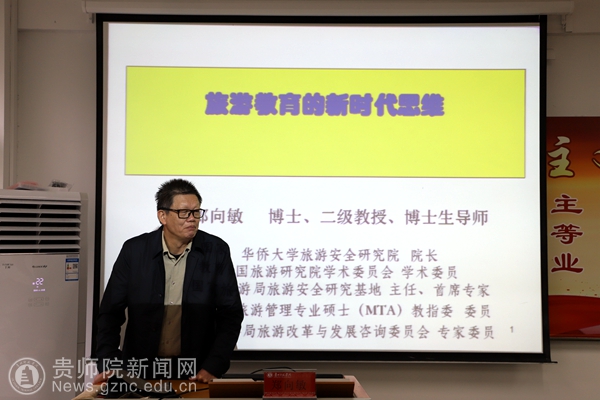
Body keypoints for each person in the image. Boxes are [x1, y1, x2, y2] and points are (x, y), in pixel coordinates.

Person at [94, 179, 243, 384]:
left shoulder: (216, 251)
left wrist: (213, 366)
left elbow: (231, 315)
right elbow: (110, 314)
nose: (192, 219)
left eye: (196, 212)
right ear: (162, 216)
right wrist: (110, 363)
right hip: (139, 370)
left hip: (195, 372)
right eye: (184, 213)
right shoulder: (134, 251)